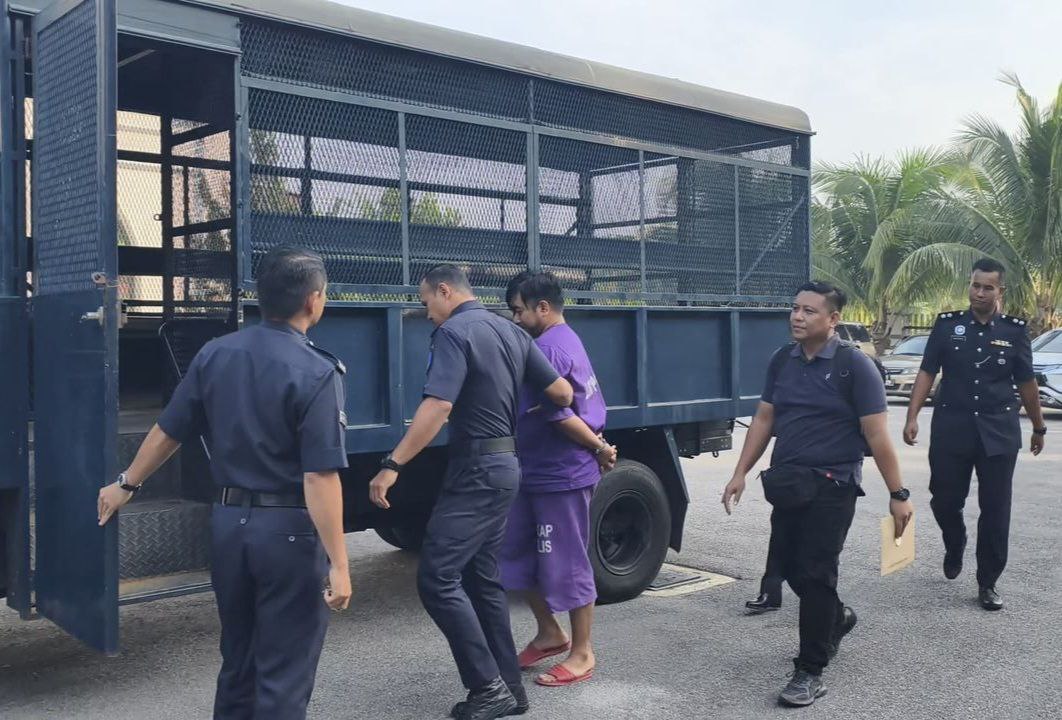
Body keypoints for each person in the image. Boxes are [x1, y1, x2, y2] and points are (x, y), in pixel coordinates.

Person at [96, 246, 352, 719]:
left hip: (229, 525)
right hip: (288, 532)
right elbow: (319, 475)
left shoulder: (216, 353)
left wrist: (126, 484)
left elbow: (168, 431)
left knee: (238, 662)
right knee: (283, 673)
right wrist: (339, 563)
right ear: (314, 300)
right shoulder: (317, 371)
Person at [368, 264, 573, 720]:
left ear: (444, 291)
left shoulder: (454, 333)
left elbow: (439, 404)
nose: (427, 313)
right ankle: (510, 690)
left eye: (426, 303)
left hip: (477, 471)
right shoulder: (512, 331)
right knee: (482, 579)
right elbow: (562, 392)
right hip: (506, 466)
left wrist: (392, 465)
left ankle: (487, 687)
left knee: (437, 577)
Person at [721, 281, 913, 707]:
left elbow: (877, 435)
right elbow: (765, 419)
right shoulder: (782, 360)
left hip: (834, 484)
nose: (798, 316)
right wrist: (740, 472)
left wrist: (898, 493)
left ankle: (809, 670)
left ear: (833, 319)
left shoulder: (854, 366)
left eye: (809, 311)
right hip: (790, 483)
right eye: (795, 308)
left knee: (817, 572)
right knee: (790, 570)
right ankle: (836, 619)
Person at [903, 257, 1046, 611]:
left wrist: (1038, 426)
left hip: (999, 431)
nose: (979, 293)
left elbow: (1026, 383)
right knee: (944, 499)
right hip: (953, 428)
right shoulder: (947, 325)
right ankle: (955, 542)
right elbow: (927, 371)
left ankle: (988, 581)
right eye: (975, 285)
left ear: (1000, 291)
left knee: (996, 509)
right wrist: (912, 415)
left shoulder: (1015, 331)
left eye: (987, 287)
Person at [500, 271, 616, 688]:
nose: (515, 319)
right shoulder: (559, 340)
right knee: (516, 555)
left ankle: (583, 652)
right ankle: (550, 633)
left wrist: (598, 448)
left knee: (567, 561)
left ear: (543, 308)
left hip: (560, 474)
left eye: (519, 311)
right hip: (533, 470)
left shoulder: (550, 348)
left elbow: (561, 415)